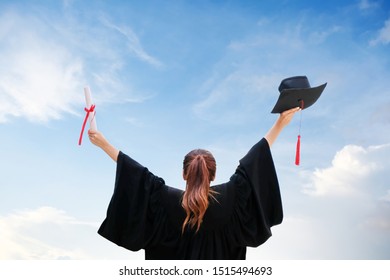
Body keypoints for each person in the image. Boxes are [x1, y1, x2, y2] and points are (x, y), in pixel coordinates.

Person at [89, 107, 300, 259]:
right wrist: (280, 123)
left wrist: (104, 144)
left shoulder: (161, 200)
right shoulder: (235, 198)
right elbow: (253, 162)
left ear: (184, 174)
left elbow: (138, 175)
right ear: (213, 176)